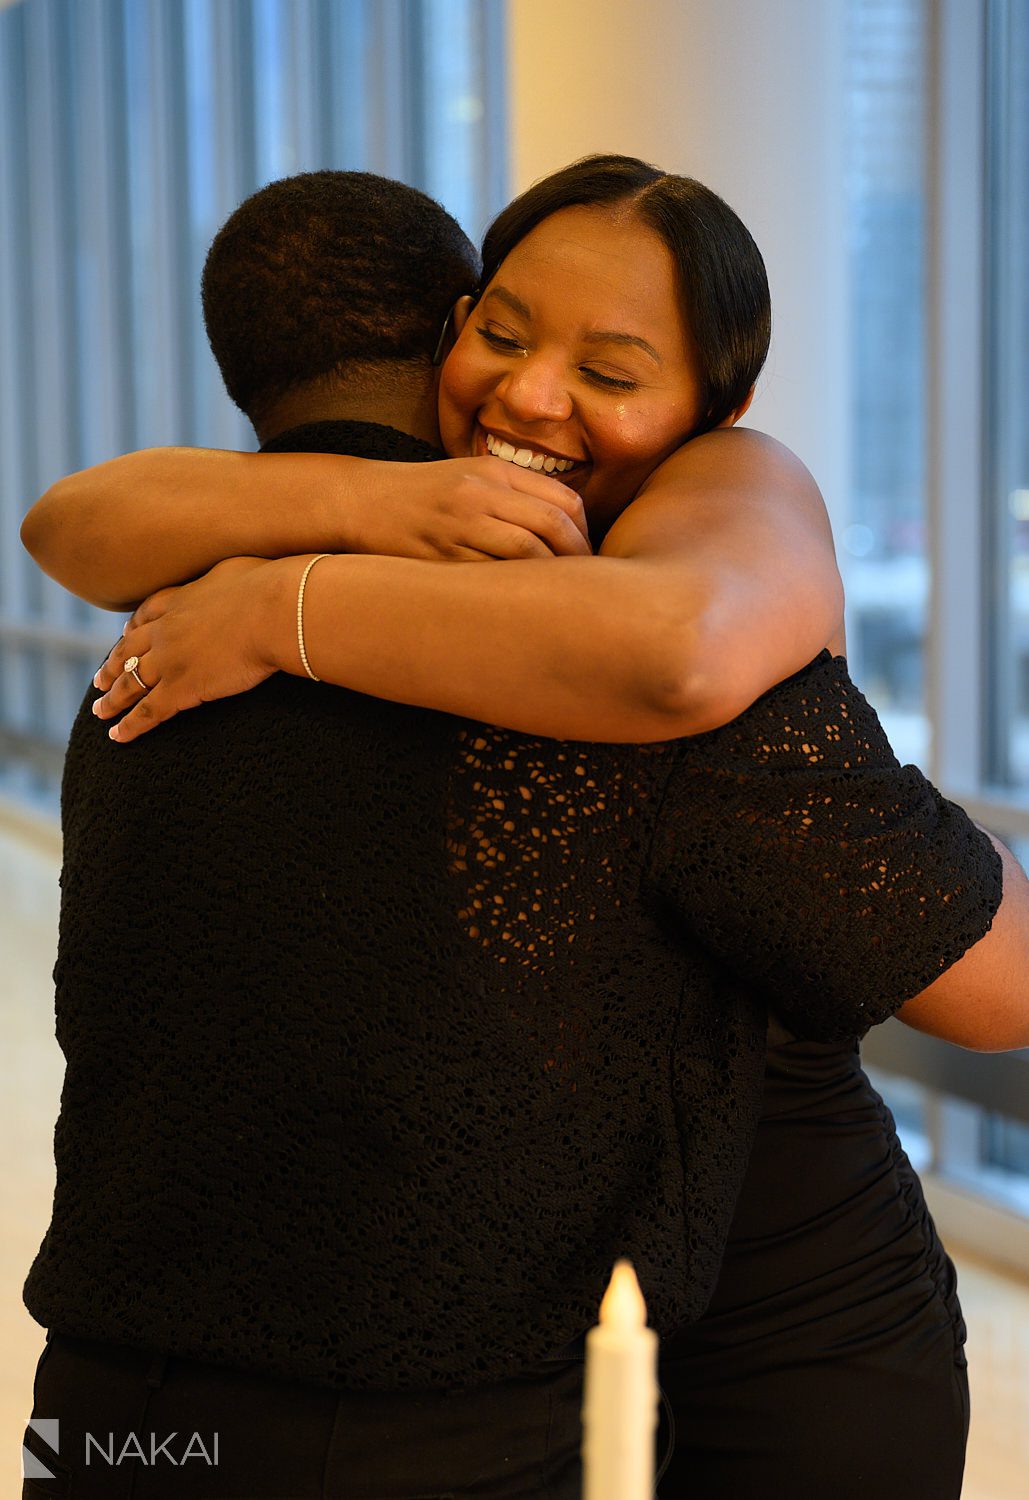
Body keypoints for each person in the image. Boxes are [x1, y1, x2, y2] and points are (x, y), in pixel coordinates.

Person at [19, 162, 1024, 1500]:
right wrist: (365, 517)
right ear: (449, 321)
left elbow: (675, 652)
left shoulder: (721, 524)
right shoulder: (329, 557)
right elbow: (64, 522)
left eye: (610, 371)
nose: (531, 394)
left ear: (707, 408)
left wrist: (282, 611)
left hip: (777, 1297)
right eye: (501, 333)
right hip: (532, 1325)